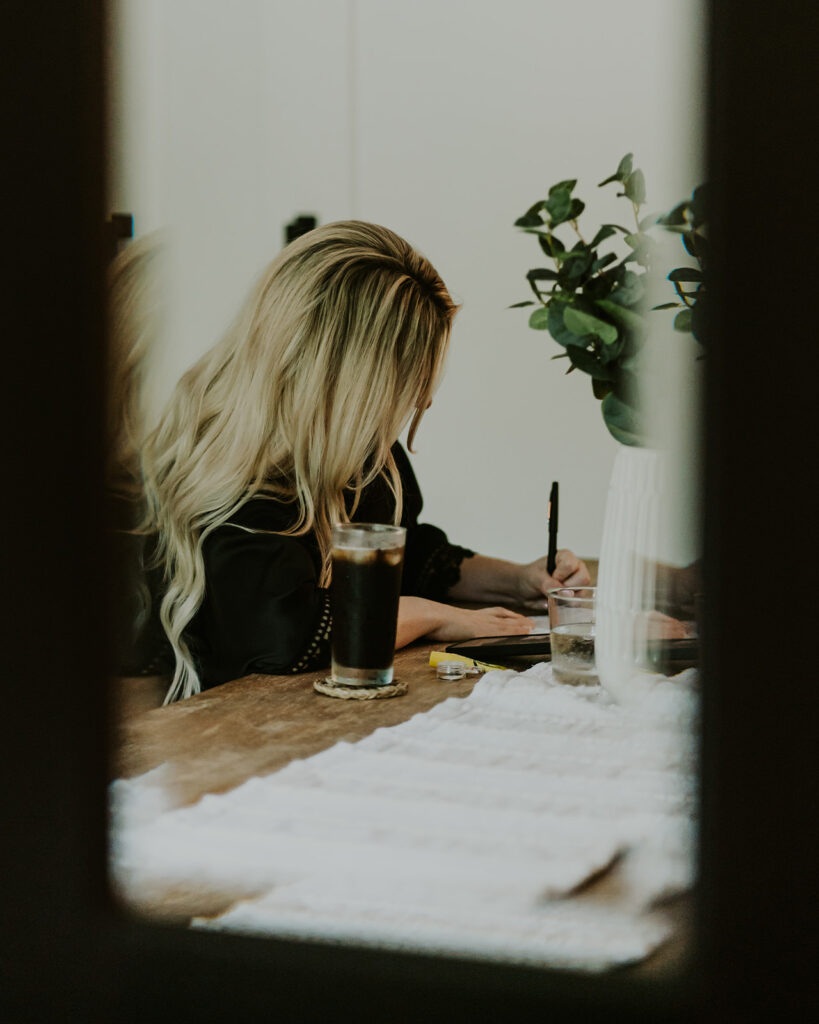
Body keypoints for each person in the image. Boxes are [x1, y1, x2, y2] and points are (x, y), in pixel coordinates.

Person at [140, 221, 590, 703]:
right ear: (346, 373)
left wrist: (518, 580)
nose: (423, 401)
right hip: (220, 731)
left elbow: (407, 554)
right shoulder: (239, 481)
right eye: (408, 379)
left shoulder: (362, 452)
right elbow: (283, 640)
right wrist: (435, 616)